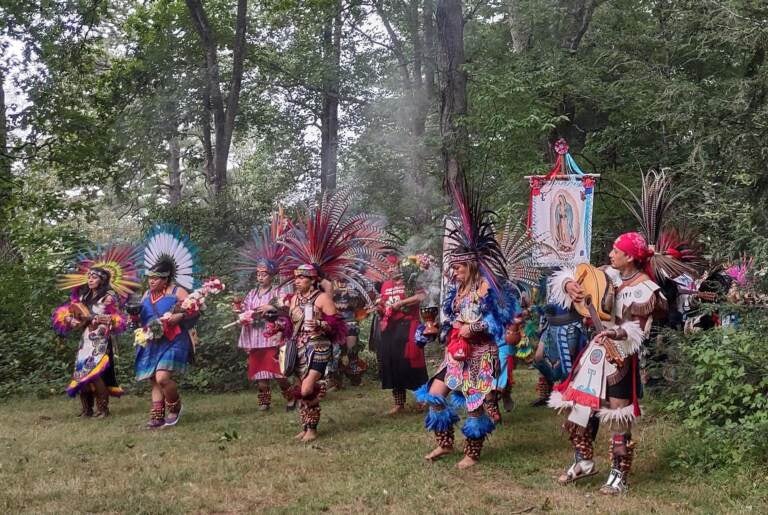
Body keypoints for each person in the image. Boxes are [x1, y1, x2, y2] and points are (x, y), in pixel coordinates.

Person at [548, 232, 667, 494]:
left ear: (630, 257)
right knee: (578, 404)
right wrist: (569, 285)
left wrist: (615, 332)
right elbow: (572, 274)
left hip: (620, 356)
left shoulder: (645, 287)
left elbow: (640, 329)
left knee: (617, 412)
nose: (611, 254)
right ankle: (583, 461)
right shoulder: (607, 274)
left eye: (616, 250)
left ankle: (618, 473)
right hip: (595, 353)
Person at [416, 178, 517, 469]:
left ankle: (472, 452)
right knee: (435, 395)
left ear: (471, 264)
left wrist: (473, 328)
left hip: (480, 356)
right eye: (452, 268)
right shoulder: (455, 291)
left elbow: (499, 320)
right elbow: (453, 321)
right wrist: (436, 330)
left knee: (474, 405)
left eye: (458, 267)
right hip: (456, 353)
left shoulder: (488, 287)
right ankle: (444, 443)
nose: (454, 272)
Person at [278, 188, 389, 441]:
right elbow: (290, 323)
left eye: (301, 278)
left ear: (312, 279)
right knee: (303, 387)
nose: (297, 281)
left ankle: (313, 429)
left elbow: (336, 325)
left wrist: (320, 324)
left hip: (318, 348)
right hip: (300, 347)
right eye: (295, 278)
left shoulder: (323, 298)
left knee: (307, 387)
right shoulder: (295, 298)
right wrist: (280, 326)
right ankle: (306, 426)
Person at [53, 247, 140, 418]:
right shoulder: (84, 298)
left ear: (102, 280)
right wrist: (69, 319)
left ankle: (103, 409)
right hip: (85, 340)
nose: (90, 279)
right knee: (81, 372)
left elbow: (116, 318)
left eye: (94, 277)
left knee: (94, 373)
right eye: (89, 277)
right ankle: (87, 409)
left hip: (100, 339)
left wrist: (100, 319)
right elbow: (76, 315)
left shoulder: (108, 297)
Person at [133, 226, 201, 429]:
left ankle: (175, 407)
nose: (151, 281)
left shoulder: (178, 292)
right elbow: (142, 319)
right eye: (149, 278)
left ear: (165, 279)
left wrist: (178, 316)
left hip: (174, 339)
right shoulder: (145, 295)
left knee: (163, 378)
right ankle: (156, 416)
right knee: (154, 380)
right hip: (152, 340)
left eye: (155, 278)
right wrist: (135, 321)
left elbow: (196, 309)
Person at [236, 215, 295, 410]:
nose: (260, 277)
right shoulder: (251, 293)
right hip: (255, 337)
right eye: (258, 274)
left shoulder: (279, 291)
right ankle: (264, 402)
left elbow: (288, 308)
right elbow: (245, 309)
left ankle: (291, 397)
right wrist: (241, 312)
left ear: (271, 275)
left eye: (264, 274)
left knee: (278, 372)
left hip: (272, 336)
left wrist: (272, 308)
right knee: (259, 372)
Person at [376, 256, 428, 415]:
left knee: (412, 363)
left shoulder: (410, 281)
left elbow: (421, 296)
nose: (391, 270)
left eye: (393, 267)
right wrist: (379, 308)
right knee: (392, 364)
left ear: (401, 267)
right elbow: (384, 305)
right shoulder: (385, 285)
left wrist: (401, 303)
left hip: (409, 326)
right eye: (388, 268)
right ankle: (399, 403)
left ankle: (423, 400)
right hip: (390, 328)